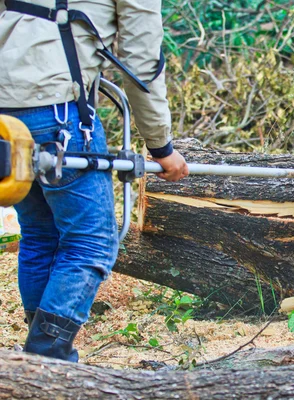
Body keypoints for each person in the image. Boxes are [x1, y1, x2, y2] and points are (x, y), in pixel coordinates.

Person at [0, 0, 188, 361]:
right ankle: (47, 361)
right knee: (93, 243)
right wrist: (160, 144)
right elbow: (141, 57)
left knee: (41, 235)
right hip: (57, 108)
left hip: (8, 108)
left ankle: (37, 363)